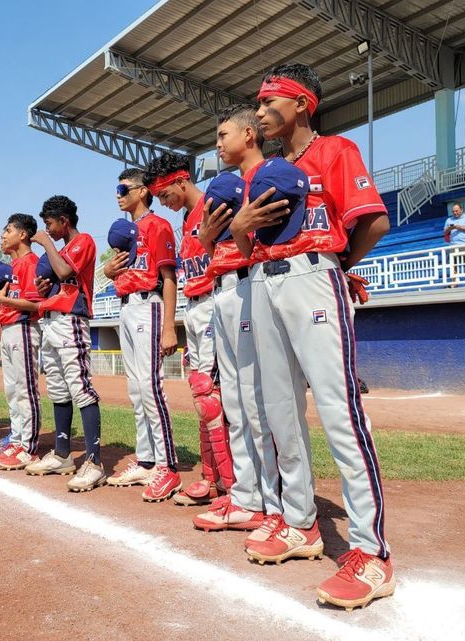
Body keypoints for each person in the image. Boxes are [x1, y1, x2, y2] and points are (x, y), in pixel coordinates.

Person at [228, 63, 393, 610]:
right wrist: (238, 226)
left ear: (301, 103)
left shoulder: (336, 151)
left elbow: (373, 221)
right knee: (279, 409)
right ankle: (300, 524)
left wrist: (336, 265)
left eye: (268, 100)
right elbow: (241, 239)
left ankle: (372, 553)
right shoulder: (270, 169)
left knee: (339, 410)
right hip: (264, 280)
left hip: (313, 276)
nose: (258, 112)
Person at [192, 103, 281, 533]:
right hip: (223, 289)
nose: (218, 142)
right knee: (234, 399)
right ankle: (246, 496)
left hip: (253, 285)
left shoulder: (267, 178)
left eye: (224, 134)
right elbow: (217, 246)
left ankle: (270, 498)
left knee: (254, 398)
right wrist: (209, 238)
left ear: (249, 134)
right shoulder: (229, 186)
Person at [142, 151, 235, 508]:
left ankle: (230, 487)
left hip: (215, 302)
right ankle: (211, 479)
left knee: (213, 400)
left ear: (182, 180)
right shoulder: (185, 220)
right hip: (195, 307)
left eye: (165, 194)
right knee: (202, 398)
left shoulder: (214, 204)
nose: (163, 203)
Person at [103, 168, 181, 503]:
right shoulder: (124, 232)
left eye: (124, 188)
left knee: (150, 387)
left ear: (143, 191)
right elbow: (119, 272)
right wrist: (108, 272)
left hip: (149, 306)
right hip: (125, 306)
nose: (118, 194)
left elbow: (167, 278)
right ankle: (147, 459)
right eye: (116, 188)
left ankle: (168, 465)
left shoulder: (157, 226)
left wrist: (168, 326)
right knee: (135, 389)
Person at [26, 195, 105, 492]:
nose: (48, 230)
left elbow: (65, 272)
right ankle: (61, 454)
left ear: (64, 220)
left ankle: (95, 462)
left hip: (72, 318)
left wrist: (46, 243)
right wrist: (46, 288)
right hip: (52, 319)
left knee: (80, 387)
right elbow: (59, 279)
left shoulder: (83, 240)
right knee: (58, 388)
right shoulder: (64, 248)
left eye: (50, 224)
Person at [0, 214, 44, 471]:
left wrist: (5, 301)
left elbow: (36, 304)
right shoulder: (12, 267)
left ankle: (28, 447)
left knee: (25, 389)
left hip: (23, 326)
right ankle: (17, 439)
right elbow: (6, 305)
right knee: (12, 391)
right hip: (9, 328)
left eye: (7, 230)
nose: (2, 235)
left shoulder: (31, 262)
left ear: (23, 235)